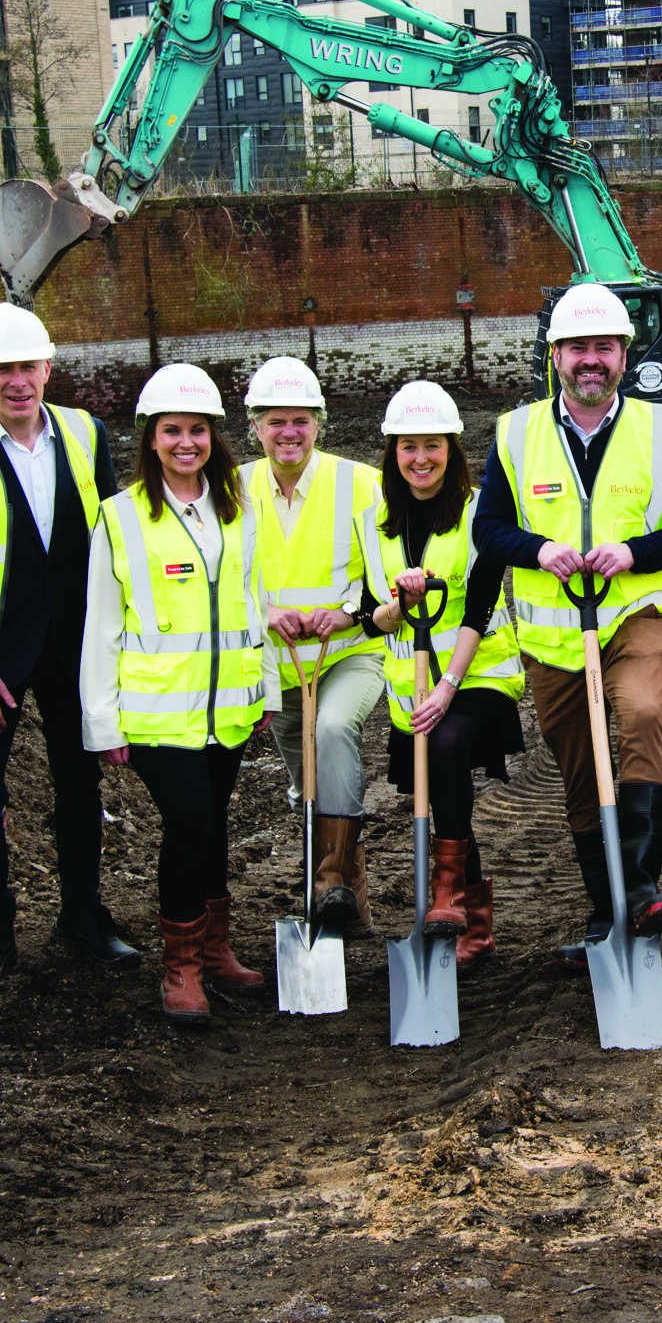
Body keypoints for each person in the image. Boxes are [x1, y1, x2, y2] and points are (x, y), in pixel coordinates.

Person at [473, 282, 662, 969]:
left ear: (623, 354)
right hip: (554, 635)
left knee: (641, 716)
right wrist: (539, 550)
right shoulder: (515, 434)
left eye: (604, 347)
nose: (591, 360)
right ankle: (608, 910)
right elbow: (489, 529)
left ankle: (641, 888)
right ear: (554, 355)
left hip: (635, 614)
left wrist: (634, 552)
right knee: (581, 769)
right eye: (577, 347)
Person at [80, 364, 305, 1025]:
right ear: (151, 438)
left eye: (198, 430)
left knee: (211, 829)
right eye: (172, 430)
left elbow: (252, 603)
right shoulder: (121, 519)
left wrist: (265, 689)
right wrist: (103, 722)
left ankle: (213, 948)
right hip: (155, 714)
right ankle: (179, 966)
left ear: (215, 436)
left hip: (228, 709)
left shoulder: (237, 510)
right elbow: (101, 625)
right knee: (190, 826)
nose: (186, 442)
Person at [0, 301, 137, 984]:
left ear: (48, 368)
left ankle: (83, 915)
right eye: (2, 370)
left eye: (28, 367)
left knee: (78, 784)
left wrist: (117, 649)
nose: (18, 381)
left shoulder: (85, 433)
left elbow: (114, 542)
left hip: (73, 643)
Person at [354, 381, 525, 968]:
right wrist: (397, 606)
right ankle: (475, 926)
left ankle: (447, 893)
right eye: (408, 447)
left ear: (452, 449)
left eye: (432, 445)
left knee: (450, 744)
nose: (420, 458)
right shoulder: (370, 523)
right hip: (414, 692)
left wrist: (450, 685)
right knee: (443, 786)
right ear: (392, 453)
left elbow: (479, 604)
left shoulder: (481, 511)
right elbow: (368, 620)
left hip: (477, 677)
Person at [239, 356, 386, 934]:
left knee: (331, 732)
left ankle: (326, 882)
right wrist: (264, 612)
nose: (289, 432)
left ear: (319, 423)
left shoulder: (360, 484)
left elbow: (386, 573)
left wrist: (345, 612)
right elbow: (226, 577)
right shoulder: (234, 489)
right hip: (277, 663)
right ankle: (351, 908)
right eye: (275, 421)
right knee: (311, 783)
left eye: (300, 420)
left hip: (347, 653)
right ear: (255, 427)